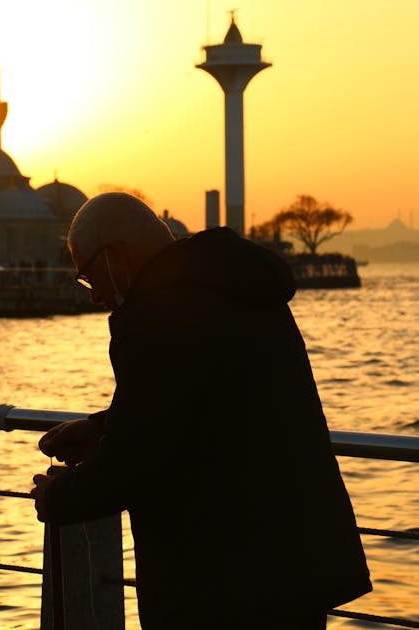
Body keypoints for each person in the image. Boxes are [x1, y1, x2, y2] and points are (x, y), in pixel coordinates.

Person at [31, 192, 371, 630]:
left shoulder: (150, 318)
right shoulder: (243, 288)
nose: (94, 293)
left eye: (88, 274)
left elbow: (138, 459)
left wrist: (56, 498)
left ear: (114, 255)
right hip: (297, 562)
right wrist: (101, 427)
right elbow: (207, 407)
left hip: (217, 578)